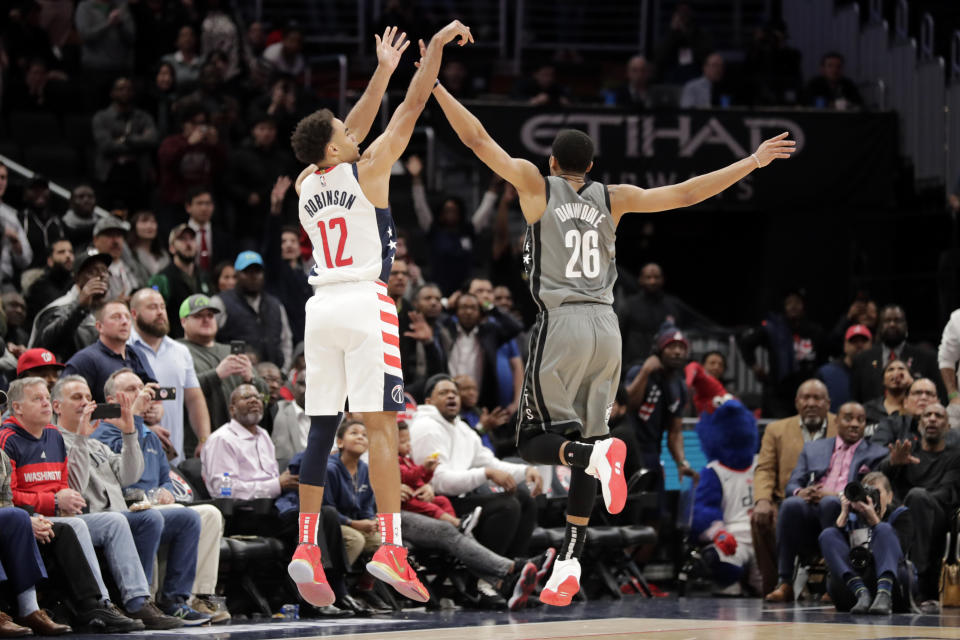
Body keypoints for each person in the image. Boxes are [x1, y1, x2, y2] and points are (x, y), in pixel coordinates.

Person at [429, 72, 794, 605]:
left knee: (535, 441)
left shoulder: (536, 186)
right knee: (590, 444)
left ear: (552, 163)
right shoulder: (613, 197)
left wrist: (436, 88)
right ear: (591, 168)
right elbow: (688, 192)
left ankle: (596, 472)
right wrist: (753, 161)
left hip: (562, 323)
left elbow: (478, 140)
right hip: (607, 327)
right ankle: (570, 564)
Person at [286, 21, 474, 608]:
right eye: (344, 130)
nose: (352, 128)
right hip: (367, 301)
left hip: (320, 308)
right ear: (338, 148)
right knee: (383, 426)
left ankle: (306, 548)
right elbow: (411, 107)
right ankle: (392, 548)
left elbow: (351, 128)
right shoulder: (372, 170)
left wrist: (382, 71)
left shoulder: (303, 182)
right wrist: (433, 51)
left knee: (321, 426)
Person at [0, 377, 182, 629]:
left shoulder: (52, 436)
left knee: (116, 521)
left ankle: (137, 600)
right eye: (37, 399)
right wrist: (52, 501)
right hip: (29, 516)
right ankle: (97, 603)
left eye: (45, 397)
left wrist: (63, 495)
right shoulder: (7, 438)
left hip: (57, 513)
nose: (44, 403)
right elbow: (8, 495)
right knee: (80, 525)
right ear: (17, 407)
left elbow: (68, 483)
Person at [53, 375, 211, 625]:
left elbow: (129, 475)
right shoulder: (55, 440)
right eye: (76, 397)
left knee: (187, 517)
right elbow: (76, 486)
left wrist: (129, 433)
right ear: (57, 406)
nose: (84, 402)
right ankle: (139, 600)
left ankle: (174, 600)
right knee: (147, 518)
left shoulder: (96, 444)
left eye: (87, 397)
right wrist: (81, 438)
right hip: (90, 517)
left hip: (119, 513)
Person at [91, 368, 229, 623]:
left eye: (142, 387)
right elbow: (116, 483)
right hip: (127, 509)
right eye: (131, 389)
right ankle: (146, 599)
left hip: (157, 505)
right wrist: (131, 417)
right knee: (162, 516)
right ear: (112, 401)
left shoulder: (151, 437)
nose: (142, 393)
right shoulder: (100, 435)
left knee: (208, 514)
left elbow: (166, 478)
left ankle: (190, 597)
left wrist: (166, 490)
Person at [765, 401, 887, 603]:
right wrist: (800, 491)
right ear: (836, 421)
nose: (855, 424)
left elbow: (871, 494)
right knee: (790, 504)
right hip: (809, 511)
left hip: (848, 514)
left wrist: (833, 495)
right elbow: (792, 484)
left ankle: (835, 583)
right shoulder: (813, 448)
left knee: (830, 504)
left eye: (860, 420)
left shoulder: (876, 453)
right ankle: (784, 582)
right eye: (848, 418)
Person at [409, 375, 542, 558]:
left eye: (454, 393)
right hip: (435, 503)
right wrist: (485, 474)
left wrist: (526, 471)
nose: (451, 396)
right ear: (429, 401)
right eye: (443, 393)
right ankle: (486, 578)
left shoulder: (462, 429)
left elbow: (490, 462)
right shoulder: (425, 427)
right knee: (507, 506)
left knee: (525, 500)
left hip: (459, 499)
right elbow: (438, 482)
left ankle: (512, 569)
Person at [751, 379, 835, 596]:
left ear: (828, 403)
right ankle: (777, 585)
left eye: (817, 398)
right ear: (797, 402)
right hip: (788, 502)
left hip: (831, 501)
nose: (811, 403)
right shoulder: (776, 430)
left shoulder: (842, 425)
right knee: (761, 518)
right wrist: (762, 500)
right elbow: (765, 469)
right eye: (805, 398)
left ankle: (837, 587)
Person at [877, 402, 960, 610]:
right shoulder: (907, 451)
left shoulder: (954, 456)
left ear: (948, 426)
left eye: (938, 416)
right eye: (927, 415)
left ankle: (919, 583)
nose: (932, 419)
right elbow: (881, 477)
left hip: (938, 515)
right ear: (920, 423)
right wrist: (893, 464)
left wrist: (915, 501)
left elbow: (946, 492)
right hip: (904, 511)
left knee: (918, 497)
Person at [128, 288, 210, 464]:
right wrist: (145, 428)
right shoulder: (124, 349)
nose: (160, 312)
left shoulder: (181, 351)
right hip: (135, 456)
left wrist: (204, 439)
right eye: (152, 307)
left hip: (174, 456)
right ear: (134, 314)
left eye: (162, 307)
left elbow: (194, 398)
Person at [818, 471, 911, 614]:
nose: (870, 497)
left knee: (884, 529)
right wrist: (844, 514)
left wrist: (874, 520)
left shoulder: (900, 515)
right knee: (828, 534)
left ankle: (883, 595)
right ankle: (861, 593)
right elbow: (835, 553)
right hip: (856, 589)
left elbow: (900, 550)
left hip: (893, 586)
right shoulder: (852, 519)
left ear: (890, 496)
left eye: (876, 492)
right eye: (865, 493)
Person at [178, 293, 266, 434]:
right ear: (183, 321)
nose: (206, 320)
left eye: (210, 315)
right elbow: (177, 393)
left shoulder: (230, 352)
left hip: (239, 439)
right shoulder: (177, 351)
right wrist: (216, 375)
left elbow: (265, 398)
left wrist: (251, 379)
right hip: (198, 440)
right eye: (198, 316)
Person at [200, 384, 299, 501]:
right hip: (246, 511)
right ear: (232, 409)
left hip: (274, 503)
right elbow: (224, 490)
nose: (254, 400)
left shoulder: (263, 434)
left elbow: (273, 477)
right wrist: (276, 485)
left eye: (258, 397)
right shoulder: (222, 439)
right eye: (246, 397)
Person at [739, 291, 826, 418]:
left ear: (803, 306)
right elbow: (746, 343)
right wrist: (754, 366)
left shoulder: (815, 331)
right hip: (779, 393)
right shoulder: (774, 329)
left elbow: (826, 353)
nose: (793, 306)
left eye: (797, 302)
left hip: (807, 392)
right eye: (789, 303)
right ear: (784, 307)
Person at [62, 300, 156, 403]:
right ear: (99, 326)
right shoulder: (85, 360)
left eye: (127, 317)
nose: (124, 322)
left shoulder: (138, 353)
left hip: (140, 419)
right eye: (116, 317)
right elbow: (65, 401)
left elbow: (154, 391)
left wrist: (157, 408)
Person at [28, 248, 112, 360]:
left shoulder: (109, 311)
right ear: (76, 278)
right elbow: (46, 345)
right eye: (92, 271)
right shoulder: (58, 308)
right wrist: (79, 308)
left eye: (104, 271)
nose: (101, 276)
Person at [213, 251, 290, 368]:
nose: (253, 276)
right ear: (237, 275)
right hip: (234, 377)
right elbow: (209, 341)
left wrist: (284, 371)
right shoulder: (220, 302)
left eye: (257, 271)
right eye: (247, 272)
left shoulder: (276, 305)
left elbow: (286, 342)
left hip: (273, 378)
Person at [850, 305, 942, 403]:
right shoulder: (862, 359)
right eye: (887, 320)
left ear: (906, 325)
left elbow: (939, 396)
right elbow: (856, 400)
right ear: (880, 327)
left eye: (897, 320)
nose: (892, 324)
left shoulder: (927, 358)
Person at [91, 77, 158, 210]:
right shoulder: (101, 117)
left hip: (137, 172)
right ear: (112, 93)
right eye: (120, 89)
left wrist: (125, 140)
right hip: (110, 172)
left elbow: (152, 140)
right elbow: (106, 146)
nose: (125, 92)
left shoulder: (143, 117)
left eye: (129, 89)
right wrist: (138, 142)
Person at [148, 223, 212, 340]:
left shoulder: (204, 276)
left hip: (203, 341)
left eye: (192, 239)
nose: (188, 243)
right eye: (182, 239)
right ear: (172, 248)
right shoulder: (162, 279)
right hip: (174, 342)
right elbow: (154, 315)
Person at [817, 324, 872, 413]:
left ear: (871, 345)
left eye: (864, 341)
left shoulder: (878, 373)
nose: (859, 345)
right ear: (845, 345)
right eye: (853, 341)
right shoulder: (826, 373)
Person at [23, 239, 74, 323]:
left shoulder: (76, 284)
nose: (68, 255)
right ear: (50, 261)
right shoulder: (39, 286)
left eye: (71, 252)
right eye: (61, 252)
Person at [862, 359, 912, 436]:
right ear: (883, 380)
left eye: (901, 369)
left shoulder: (915, 409)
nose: (896, 373)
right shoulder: (867, 409)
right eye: (890, 369)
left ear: (910, 378)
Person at [127, 210, 169, 276]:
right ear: (134, 226)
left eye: (153, 222)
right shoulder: (128, 253)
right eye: (144, 221)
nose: (150, 226)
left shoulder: (163, 255)